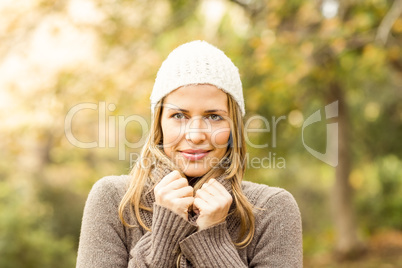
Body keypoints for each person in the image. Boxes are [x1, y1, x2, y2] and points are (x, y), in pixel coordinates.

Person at [76, 40, 302, 267]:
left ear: (234, 127)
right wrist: (164, 236)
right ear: (159, 124)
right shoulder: (113, 200)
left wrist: (213, 243)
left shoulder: (272, 210)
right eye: (179, 116)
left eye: (214, 116)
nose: (195, 136)